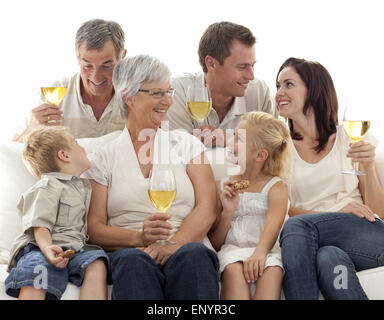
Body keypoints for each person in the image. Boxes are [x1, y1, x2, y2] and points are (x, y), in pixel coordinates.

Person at [83, 54, 219, 300]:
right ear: (129, 97)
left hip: (186, 246)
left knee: (195, 256)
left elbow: (208, 207)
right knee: (132, 260)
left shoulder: (186, 144)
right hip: (132, 252)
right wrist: (139, 238)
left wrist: (172, 246)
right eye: (157, 93)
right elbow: (94, 228)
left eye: (169, 92)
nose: (167, 101)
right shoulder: (102, 157)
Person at [276, 57, 384, 300]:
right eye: (278, 85)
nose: (279, 92)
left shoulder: (350, 138)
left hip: (366, 236)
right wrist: (337, 215)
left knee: (296, 227)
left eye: (288, 84)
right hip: (315, 245)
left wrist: (366, 164)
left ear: (313, 90)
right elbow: (279, 209)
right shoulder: (279, 149)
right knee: (330, 259)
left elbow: (378, 211)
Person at [5, 126, 109, 300]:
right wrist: (47, 249)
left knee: (97, 262)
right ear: (64, 155)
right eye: (76, 143)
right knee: (39, 270)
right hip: (39, 247)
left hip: (73, 249)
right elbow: (39, 225)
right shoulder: (48, 186)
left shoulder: (82, 187)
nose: (83, 148)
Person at [209, 111, 290, 300]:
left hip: (267, 251)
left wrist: (260, 253)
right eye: (234, 135)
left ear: (260, 155)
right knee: (232, 270)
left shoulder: (276, 188)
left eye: (239, 139)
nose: (231, 142)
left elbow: (274, 225)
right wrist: (228, 212)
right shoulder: (221, 186)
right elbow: (215, 243)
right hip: (232, 251)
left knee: (273, 272)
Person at [166, 21, 277, 148]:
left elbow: (276, 148)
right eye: (242, 67)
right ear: (211, 63)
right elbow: (181, 154)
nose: (251, 76)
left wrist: (230, 140)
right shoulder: (178, 91)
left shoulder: (259, 91)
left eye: (252, 65)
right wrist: (247, 144)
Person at [13, 19, 127, 142]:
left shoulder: (135, 95)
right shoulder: (54, 95)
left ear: (122, 57)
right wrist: (30, 130)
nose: (96, 77)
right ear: (77, 58)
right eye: (87, 66)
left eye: (106, 66)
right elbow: (10, 152)